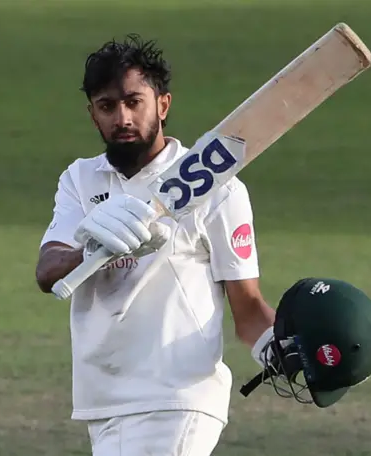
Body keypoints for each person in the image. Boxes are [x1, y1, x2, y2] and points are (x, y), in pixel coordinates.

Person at [34, 33, 277, 455]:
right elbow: (47, 269)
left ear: (162, 105)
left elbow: (248, 309)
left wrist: (283, 348)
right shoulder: (80, 179)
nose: (122, 118)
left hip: (177, 398)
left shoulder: (216, 189)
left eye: (134, 102)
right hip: (103, 402)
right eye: (107, 106)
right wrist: (92, 248)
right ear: (92, 114)